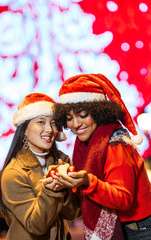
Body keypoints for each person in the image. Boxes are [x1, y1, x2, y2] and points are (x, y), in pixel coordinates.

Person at [53, 74, 151, 240]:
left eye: (82, 115)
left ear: (99, 112)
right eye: (69, 118)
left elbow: (123, 199)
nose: (75, 124)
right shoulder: (86, 144)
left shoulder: (116, 144)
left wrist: (87, 181)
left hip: (137, 230)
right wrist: (67, 181)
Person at [0, 93, 81, 240]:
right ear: (24, 130)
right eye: (41, 122)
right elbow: (36, 226)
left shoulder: (62, 160)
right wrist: (51, 189)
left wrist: (65, 187)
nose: (49, 129)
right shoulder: (14, 172)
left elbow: (73, 214)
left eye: (54, 123)